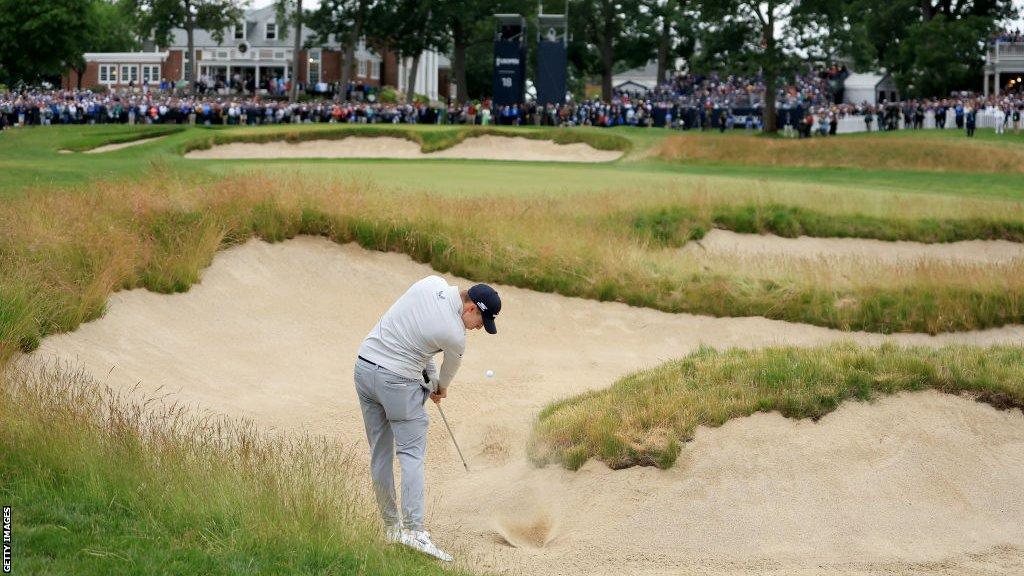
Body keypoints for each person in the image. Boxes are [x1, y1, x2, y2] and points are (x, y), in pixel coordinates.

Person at [354, 276, 502, 562]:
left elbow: (418, 334)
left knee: (381, 454)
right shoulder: (455, 334)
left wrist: (429, 377)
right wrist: (439, 387)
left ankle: (391, 528)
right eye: (481, 323)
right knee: (411, 454)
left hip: (364, 367)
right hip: (395, 381)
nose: (478, 329)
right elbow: (449, 371)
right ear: (471, 308)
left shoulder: (430, 283)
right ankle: (413, 532)